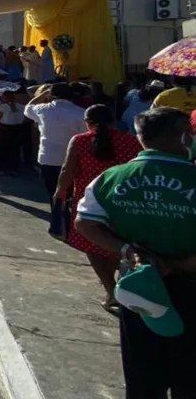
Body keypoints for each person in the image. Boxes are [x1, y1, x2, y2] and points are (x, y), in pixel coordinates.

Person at [75, 108, 196, 397]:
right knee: (190, 376)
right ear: (184, 136)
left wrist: (128, 250)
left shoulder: (112, 178)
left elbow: (84, 223)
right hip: (190, 289)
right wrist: (177, 264)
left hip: (138, 287)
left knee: (143, 375)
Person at [53, 104, 142, 314]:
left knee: (91, 244)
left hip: (87, 202)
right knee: (113, 244)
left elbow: (68, 169)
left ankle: (111, 290)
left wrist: (60, 191)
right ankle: (115, 287)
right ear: (113, 120)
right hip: (121, 202)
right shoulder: (130, 141)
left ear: (88, 121)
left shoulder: (80, 140)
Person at [24, 83, 87, 238]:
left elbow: (27, 109)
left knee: (55, 193)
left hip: (48, 158)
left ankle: (59, 227)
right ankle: (71, 226)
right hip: (72, 158)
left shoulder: (43, 109)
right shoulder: (80, 113)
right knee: (72, 193)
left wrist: (41, 94)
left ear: (51, 95)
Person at [0, 90, 25, 175]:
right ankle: (15, 169)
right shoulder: (21, 106)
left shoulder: (2, 107)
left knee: (3, 149)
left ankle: (2, 169)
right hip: (18, 128)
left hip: (5, 128)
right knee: (15, 149)